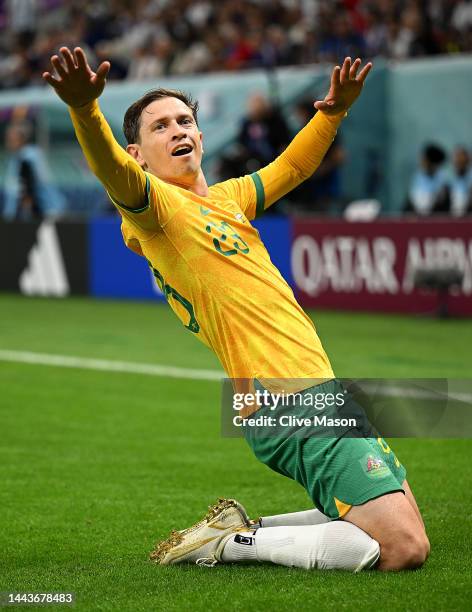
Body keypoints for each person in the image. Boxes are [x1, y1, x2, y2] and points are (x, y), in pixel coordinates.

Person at [43, 48, 429, 572]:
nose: (178, 130)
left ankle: (245, 530)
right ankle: (229, 546)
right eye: (160, 127)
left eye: (186, 120)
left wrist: (333, 111)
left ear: (201, 136)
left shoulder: (227, 198)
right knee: (403, 549)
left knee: (404, 516)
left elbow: (292, 166)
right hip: (283, 397)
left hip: (316, 385)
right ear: (138, 153)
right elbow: (111, 169)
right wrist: (85, 110)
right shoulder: (156, 210)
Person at [2, 120, 66, 221]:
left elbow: (30, 184)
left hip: (44, 211)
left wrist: (26, 207)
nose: (8, 142)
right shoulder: (19, 156)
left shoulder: (28, 157)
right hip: (42, 211)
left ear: (21, 139)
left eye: (11, 139)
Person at [404, 143, 449, 215]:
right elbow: (409, 204)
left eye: (424, 159)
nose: (421, 161)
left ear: (433, 163)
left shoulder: (443, 183)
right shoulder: (417, 178)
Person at [448, 146, 472, 217]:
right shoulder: (448, 180)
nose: (459, 161)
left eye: (462, 160)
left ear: (468, 160)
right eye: (456, 158)